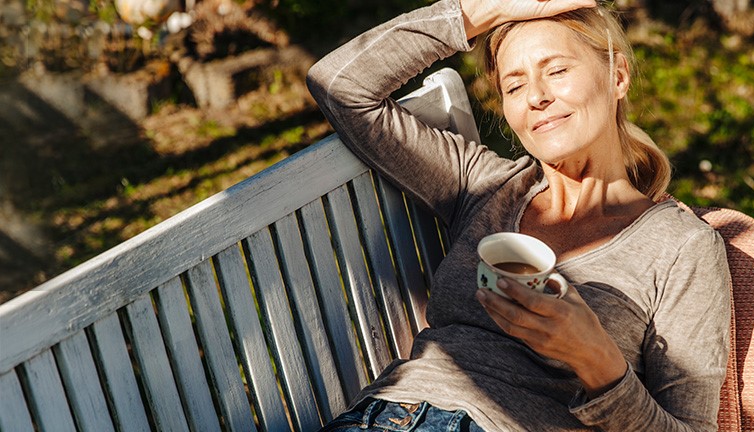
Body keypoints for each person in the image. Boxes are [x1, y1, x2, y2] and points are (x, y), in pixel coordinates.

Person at [306, 0, 731, 430]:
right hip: (386, 416)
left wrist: (597, 360)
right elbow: (340, 85)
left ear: (617, 76)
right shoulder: (483, 185)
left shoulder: (683, 247)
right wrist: (481, 10)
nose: (537, 97)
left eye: (557, 70)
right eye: (514, 85)